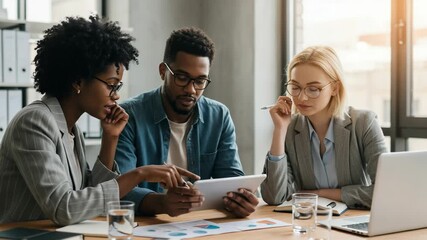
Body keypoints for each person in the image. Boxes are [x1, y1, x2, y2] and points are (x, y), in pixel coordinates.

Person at [0, 16, 198, 225]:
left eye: (118, 87)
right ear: (78, 80)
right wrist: (140, 174)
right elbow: (64, 208)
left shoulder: (71, 129)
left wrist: (110, 139)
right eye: (111, 85)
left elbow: (89, 197)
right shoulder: (34, 122)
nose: (116, 96)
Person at [115, 27, 259, 217]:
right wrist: (162, 203)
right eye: (182, 78)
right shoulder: (129, 115)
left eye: (200, 81)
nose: (191, 90)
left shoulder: (219, 116)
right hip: (144, 226)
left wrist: (240, 201)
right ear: (162, 71)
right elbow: (117, 189)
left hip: (198, 225)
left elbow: (231, 180)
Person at [260, 46, 387, 209]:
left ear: (335, 88)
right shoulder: (290, 129)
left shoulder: (363, 123)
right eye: (295, 87)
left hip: (354, 221)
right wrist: (279, 130)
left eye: (313, 89)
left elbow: (385, 191)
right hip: (308, 222)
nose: (302, 97)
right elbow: (274, 196)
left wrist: (319, 194)